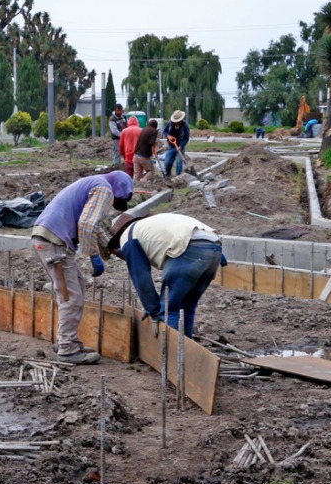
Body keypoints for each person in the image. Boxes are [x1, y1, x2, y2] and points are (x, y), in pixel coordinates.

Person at [30, 171, 136, 365]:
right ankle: (67, 349)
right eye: (116, 201)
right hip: (54, 243)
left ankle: (67, 340)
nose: (112, 204)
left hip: (47, 238)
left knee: (75, 287)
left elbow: (93, 227)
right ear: (118, 190)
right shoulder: (104, 189)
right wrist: (94, 255)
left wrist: (114, 250)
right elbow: (87, 224)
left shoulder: (92, 183)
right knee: (71, 297)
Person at [110, 211, 224, 339]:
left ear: (122, 230)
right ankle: (185, 351)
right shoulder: (152, 225)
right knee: (187, 307)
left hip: (188, 248)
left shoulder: (128, 235)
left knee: (170, 309)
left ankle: (172, 354)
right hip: (215, 248)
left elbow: (141, 276)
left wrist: (153, 309)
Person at [161, 110, 190, 176]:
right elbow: (164, 131)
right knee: (167, 161)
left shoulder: (185, 125)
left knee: (179, 161)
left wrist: (181, 146)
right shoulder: (170, 123)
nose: (177, 122)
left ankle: (178, 176)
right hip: (171, 146)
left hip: (180, 146)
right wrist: (168, 136)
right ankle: (167, 176)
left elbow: (186, 138)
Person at [133, 119, 159, 185]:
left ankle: (133, 187)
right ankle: (143, 181)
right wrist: (155, 143)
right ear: (156, 126)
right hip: (143, 156)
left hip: (135, 155)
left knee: (137, 174)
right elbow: (151, 142)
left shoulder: (143, 130)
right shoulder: (154, 131)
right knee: (151, 171)